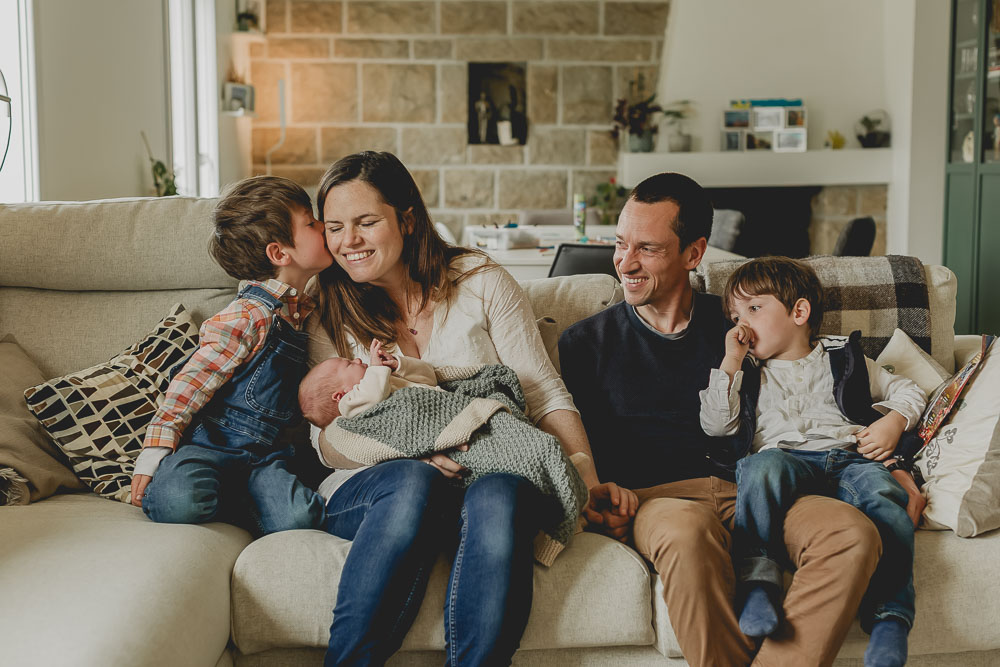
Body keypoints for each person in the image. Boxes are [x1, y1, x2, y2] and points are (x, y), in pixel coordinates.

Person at [307, 151, 622, 666]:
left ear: (407, 219)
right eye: (335, 227)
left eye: (366, 222)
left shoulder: (479, 280)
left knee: (504, 493)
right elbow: (323, 435)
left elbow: (540, 390)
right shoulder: (329, 307)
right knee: (414, 481)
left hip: (485, 470)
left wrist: (583, 473)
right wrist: (413, 452)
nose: (348, 242)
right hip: (381, 481)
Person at [558, 171, 883, 667]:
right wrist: (603, 499)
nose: (625, 262)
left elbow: (822, 392)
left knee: (852, 533)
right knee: (688, 534)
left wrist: (892, 459)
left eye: (647, 248)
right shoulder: (585, 343)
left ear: (693, 254)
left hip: (756, 487)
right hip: (661, 501)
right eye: (620, 243)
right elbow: (582, 458)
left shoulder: (745, 323)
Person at [701, 256, 926, 667]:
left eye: (754, 309)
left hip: (847, 458)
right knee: (759, 469)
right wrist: (731, 360)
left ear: (799, 312)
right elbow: (716, 425)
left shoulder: (846, 357)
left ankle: (890, 618)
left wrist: (894, 421)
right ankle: (759, 587)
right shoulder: (748, 371)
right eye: (735, 314)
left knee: (885, 495)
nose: (741, 325)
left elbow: (909, 390)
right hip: (783, 459)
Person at [129, 175, 330, 536]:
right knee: (176, 501)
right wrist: (155, 450)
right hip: (210, 445)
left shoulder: (303, 309)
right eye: (311, 222)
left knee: (300, 519)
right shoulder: (247, 315)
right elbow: (190, 384)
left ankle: (243, 497)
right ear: (280, 253)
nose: (324, 227)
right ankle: (221, 491)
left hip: (265, 456)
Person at [299, 340, 587, 567]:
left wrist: (398, 364)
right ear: (341, 395)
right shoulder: (355, 405)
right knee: (514, 453)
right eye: (349, 363)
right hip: (443, 437)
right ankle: (554, 476)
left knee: (526, 443)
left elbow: (429, 378)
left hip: (461, 414)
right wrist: (376, 369)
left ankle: (552, 468)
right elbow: (374, 396)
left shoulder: (387, 380)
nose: (358, 360)